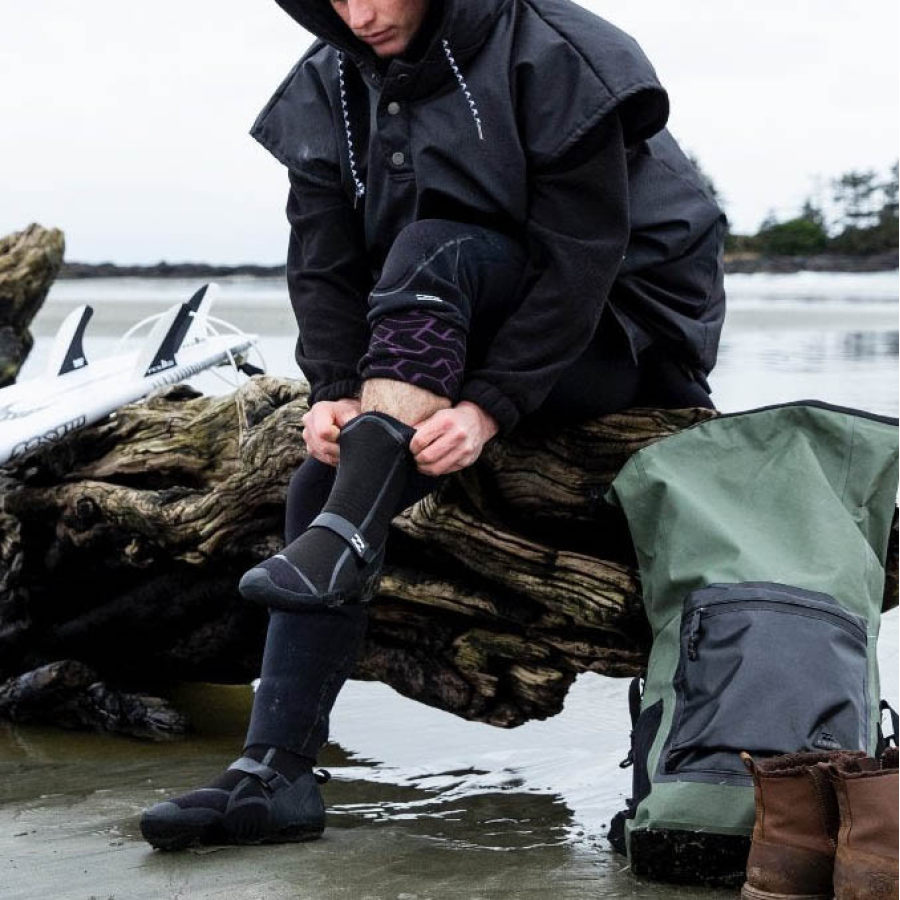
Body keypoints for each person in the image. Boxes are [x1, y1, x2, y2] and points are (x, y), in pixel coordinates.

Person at [140, 0, 725, 850]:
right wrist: (334, 390)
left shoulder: (562, 55)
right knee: (330, 471)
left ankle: (344, 533)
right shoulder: (326, 82)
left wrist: (490, 406)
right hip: (449, 315)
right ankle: (275, 774)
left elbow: (581, 263)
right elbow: (323, 257)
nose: (361, 13)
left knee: (432, 252)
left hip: (621, 329)